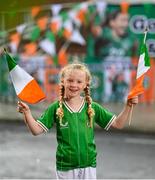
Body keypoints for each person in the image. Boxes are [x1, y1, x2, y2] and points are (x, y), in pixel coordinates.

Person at [17, 63, 138, 179]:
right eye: (70, 80)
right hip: (65, 167)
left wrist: (128, 105)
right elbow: (36, 130)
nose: (74, 85)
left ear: (86, 84)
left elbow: (118, 124)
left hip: (89, 165)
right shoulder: (56, 108)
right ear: (63, 81)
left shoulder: (92, 107)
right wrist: (27, 113)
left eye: (79, 81)